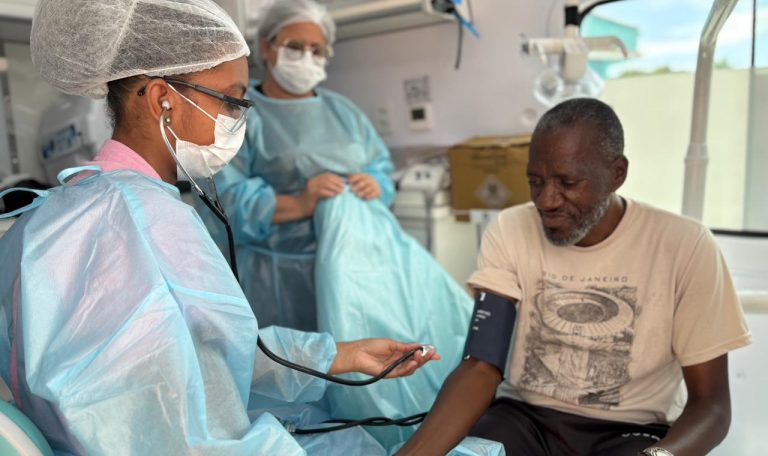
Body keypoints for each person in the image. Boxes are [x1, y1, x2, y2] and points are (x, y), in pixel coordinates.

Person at [0, 1, 441, 454]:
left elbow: (199, 353)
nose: (237, 119)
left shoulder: (79, 205)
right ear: (162, 98)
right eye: (230, 100)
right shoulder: (137, 220)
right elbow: (163, 428)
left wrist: (338, 355)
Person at [397, 98, 752, 456]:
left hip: (630, 432)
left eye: (567, 182)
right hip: (523, 420)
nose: (546, 200)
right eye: (535, 182)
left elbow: (712, 405)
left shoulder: (684, 246)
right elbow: (480, 367)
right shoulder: (510, 230)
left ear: (617, 174)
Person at [198, 0, 396, 331]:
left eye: (317, 50)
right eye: (295, 46)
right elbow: (223, 200)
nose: (307, 57)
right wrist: (300, 203)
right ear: (267, 47)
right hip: (278, 279)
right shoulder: (239, 116)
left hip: (357, 273)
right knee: (293, 358)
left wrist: (375, 183)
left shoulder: (344, 112)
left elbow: (381, 167)